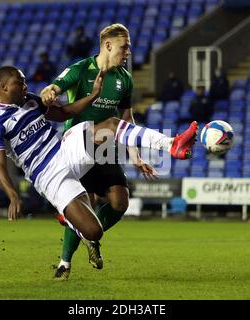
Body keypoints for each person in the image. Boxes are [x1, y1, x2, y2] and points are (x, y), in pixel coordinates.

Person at [0, 66, 198, 280]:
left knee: (110, 126)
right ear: (3, 87)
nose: (25, 86)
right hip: (48, 175)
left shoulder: (29, 100)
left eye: (24, 82)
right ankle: (72, 222)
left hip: (65, 150)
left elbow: (64, 113)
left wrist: (94, 95)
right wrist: (12, 195)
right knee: (94, 232)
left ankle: (171, 143)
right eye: (19, 83)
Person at [41, 23, 156, 280]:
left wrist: (135, 155)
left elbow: (126, 118)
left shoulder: (124, 78)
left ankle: (90, 237)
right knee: (85, 204)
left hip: (106, 149)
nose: (127, 52)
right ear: (108, 45)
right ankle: (64, 264)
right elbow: (55, 87)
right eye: (124, 46)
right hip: (78, 148)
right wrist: (49, 92)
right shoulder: (82, 69)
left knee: (120, 201)